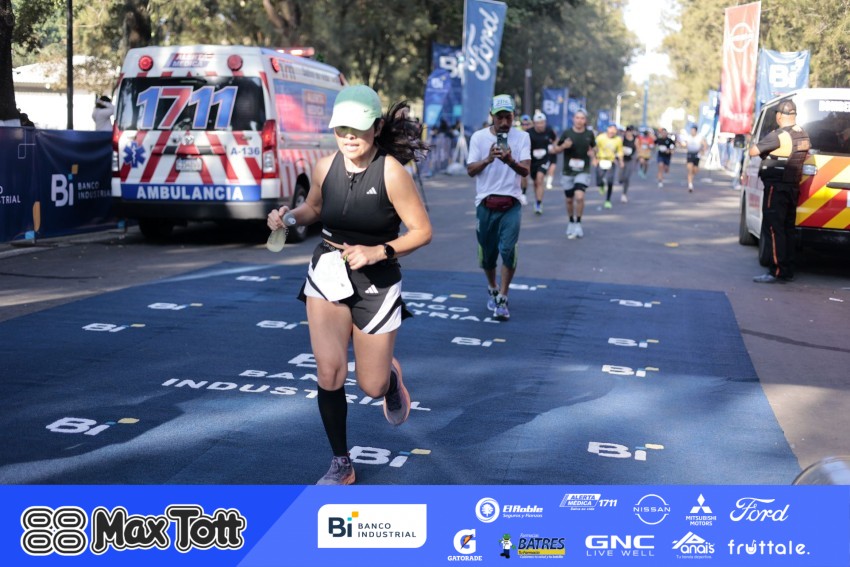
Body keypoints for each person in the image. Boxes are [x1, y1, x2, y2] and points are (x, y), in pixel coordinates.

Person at [266, 85, 432, 484]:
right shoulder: (325, 167)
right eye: (342, 129)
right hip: (327, 271)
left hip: (377, 278)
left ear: (376, 127)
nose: (349, 137)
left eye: (358, 128)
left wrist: (379, 252)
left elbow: (422, 231)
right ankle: (341, 462)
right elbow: (314, 208)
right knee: (329, 373)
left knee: (371, 385)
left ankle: (390, 379)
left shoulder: (392, 173)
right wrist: (288, 218)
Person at [467, 94, 530, 320]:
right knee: (487, 255)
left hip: (511, 203)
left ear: (514, 116)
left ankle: (503, 297)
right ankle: (492, 286)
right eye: (499, 117)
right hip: (485, 203)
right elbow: (470, 170)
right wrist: (488, 159)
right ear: (491, 116)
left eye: (508, 117)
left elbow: (526, 171)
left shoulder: (522, 137)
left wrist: (510, 161)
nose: (504, 122)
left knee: (508, 250)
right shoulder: (478, 137)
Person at [749, 98, 811, 284]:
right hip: (792, 187)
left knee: (773, 228)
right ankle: (787, 269)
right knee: (787, 228)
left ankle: (776, 270)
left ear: (779, 116)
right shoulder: (803, 135)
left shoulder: (779, 135)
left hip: (776, 188)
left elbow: (753, 151)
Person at [551, 109, 596, 239]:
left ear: (585, 120)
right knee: (569, 200)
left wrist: (593, 153)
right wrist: (563, 146)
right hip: (568, 171)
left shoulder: (589, 134)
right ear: (573, 119)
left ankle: (578, 223)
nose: (579, 120)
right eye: (577, 118)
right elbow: (555, 150)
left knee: (579, 197)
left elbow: (594, 147)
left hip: (583, 170)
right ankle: (571, 221)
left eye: (582, 118)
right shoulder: (567, 133)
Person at [527, 111, 557, 215]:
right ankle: (537, 199)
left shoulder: (549, 130)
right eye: (538, 123)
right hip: (532, 161)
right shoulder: (529, 133)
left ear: (545, 122)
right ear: (534, 123)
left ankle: (539, 203)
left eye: (542, 123)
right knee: (536, 182)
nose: (540, 125)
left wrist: (553, 146)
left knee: (540, 179)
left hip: (544, 159)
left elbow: (555, 139)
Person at [595, 123, 625, 209]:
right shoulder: (600, 137)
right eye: (611, 129)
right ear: (607, 129)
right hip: (601, 160)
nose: (612, 131)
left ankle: (608, 200)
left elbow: (620, 151)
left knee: (610, 182)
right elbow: (594, 147)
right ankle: (601, 185)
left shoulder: (618, 139)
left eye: (614, 130)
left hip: (611, 161)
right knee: (599, 180)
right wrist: (594, 158)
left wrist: (621, 161)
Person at [680, 125, 708, 192]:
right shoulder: (688, 137)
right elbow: (684, 144)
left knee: (695, 170)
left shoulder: (699, 137)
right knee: (690, 169)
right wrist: (683, 145)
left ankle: (691, 175)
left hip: (696, 154)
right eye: (691, 130)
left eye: (693, 131)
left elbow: (705, 145)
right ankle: (690, 185)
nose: (692, 132)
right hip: (690, 154)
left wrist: (703, 151)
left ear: (696, 131)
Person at [619, 125, 638, 203]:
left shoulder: (635, 139)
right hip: (622, 159)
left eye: (631, 131)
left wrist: (636, 159)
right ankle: (621, 180)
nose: (629, 133)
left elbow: (637, 149)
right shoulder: (622, 138)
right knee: (621, 177)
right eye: (628, 131)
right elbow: (618, 147)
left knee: (627, 177)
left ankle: (624, 194)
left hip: (630, 160)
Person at [517, 114, 532, 205]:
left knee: (525, 177)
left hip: (529, 157)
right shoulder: (517, 132)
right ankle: (519, 193)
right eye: (523, 124)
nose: (525, 126)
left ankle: (524, 193)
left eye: (527, 124)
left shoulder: (532, 132)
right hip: (518, 157)